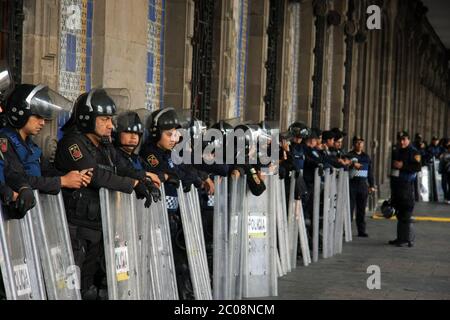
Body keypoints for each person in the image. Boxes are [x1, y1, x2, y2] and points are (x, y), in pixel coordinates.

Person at [54, 88, 155, 299]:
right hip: (76, 230)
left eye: (111, 119)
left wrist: (143, 177)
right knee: (71, 288)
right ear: (87, 118)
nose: (111, 125)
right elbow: (96, 175)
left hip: (97, 226)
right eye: (105, 119)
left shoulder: (103, 145)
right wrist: (133, 184)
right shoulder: (73, 144)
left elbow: (121, 167)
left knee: (89, 286)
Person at [0, 84, 91, 219]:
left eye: (44, 118)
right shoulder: (5, 141)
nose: (42, 123)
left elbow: (46, 171)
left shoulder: (31, 146)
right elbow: (16, 177)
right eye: (37, 117)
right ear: (20, 112)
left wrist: (73, 177)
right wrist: (61, 181)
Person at [388, 131, 422, 247]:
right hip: (397, 185)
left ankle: (409, 239)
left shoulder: (414, 152)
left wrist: (403, 166)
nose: (401, 142)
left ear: (408, 139)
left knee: (406, 213)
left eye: (404, 139)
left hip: (407, 186)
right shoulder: (397, 150)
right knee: (399, 213)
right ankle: (400, 238)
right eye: (400, 140)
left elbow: (417, 167)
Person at [347, 136, 376, 237]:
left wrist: (372, 185)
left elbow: (370, 172)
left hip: (363, 185)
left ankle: (361, 230)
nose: (359, 145)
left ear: (363, 144)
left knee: (361, 210)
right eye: (357, 143)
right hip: (352, 185)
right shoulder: (349, 155)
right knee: (349, 208)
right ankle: (347, 230)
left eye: (361, 143)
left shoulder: (366, 157)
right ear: (353, 144)